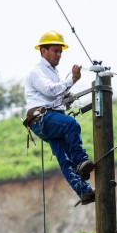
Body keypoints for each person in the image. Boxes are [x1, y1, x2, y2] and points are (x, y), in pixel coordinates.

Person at [24, 30, 95, 205]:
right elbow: (50, 90)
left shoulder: (53, 73)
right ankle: (81, 161)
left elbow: (56, 95)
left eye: (60, 52)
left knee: (64, 158)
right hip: (42, 118)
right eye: (55, 51)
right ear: (43, 51)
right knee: (71, 124)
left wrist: (68, 97)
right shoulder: (37, 71)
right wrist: (72, 80)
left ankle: (84, 192)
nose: (59, 55)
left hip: (50, 118)